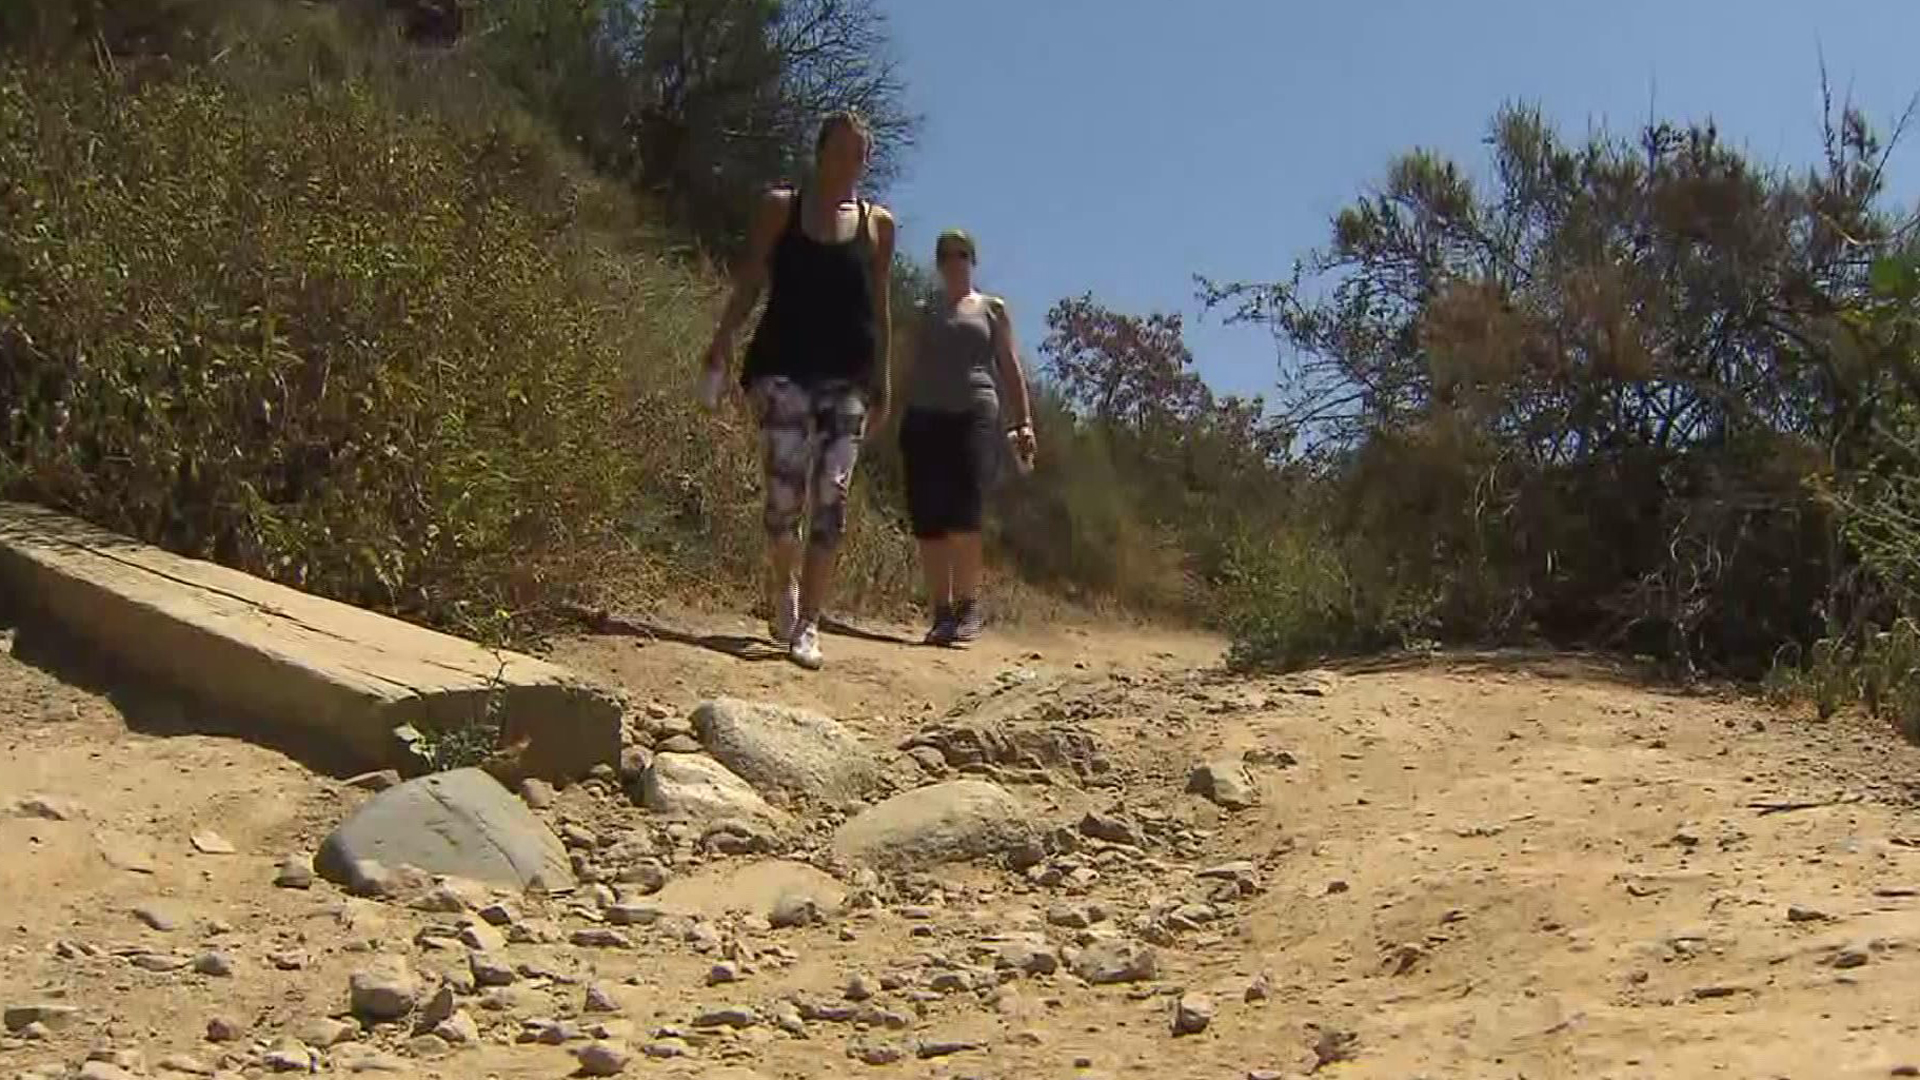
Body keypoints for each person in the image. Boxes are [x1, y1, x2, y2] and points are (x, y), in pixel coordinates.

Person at [698, 110, 896, 670]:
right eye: (841, 150)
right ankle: (782, 587)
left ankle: (809, 622)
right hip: (782, 367)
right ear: (819, 152)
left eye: (860, 154)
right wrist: (721, 338)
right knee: (784, 499)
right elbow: (752, 277)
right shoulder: (781, 207)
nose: (850, 163)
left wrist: (884, 378)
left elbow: (880, 305)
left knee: (832, 495)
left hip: (850, 376)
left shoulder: (878, 224)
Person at [898, 228, 1036, 646]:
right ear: (938, 264)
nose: (953, 261)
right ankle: (941, 613)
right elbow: (907, 364)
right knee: (928, 517)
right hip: (925, 414)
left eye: (961, 254)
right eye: (945, 255)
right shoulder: (924, 309)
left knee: (964, 509)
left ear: (972, 260)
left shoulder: (992, 309)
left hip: (974, 411)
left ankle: (968, 604)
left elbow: (1009, 366)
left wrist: (1024, 419)